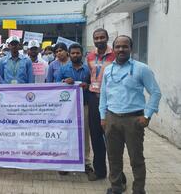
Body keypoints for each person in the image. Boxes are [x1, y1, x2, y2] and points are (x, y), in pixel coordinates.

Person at [100, 35, 161, 194]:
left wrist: (147, 115)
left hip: (133, 120)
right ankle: (116, 188)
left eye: (125, 46)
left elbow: (155, 92)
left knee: (136, 159)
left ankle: (139, 190)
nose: (121, 49)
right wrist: (103, 117)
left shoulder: (142, 68)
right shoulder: (108, 70)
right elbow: (104, 95)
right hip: (112, 119)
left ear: (131, 49)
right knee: (113, 158)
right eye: (118, 46)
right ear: (113, 49)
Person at [58, 43, 92, 175]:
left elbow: (94, 85)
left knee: (84, 134)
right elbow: (55, 85)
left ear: (82, 54)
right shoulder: (63, 69)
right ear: (69, 54)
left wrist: (87, 85)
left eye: (78, 53)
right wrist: (64, 82)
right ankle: (66, 162)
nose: (75, 55)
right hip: (67, 109)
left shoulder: (88, 70)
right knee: (66, 134)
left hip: (84, 106)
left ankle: (86, 162)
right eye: (73, 53)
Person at [86, 28, 115, 181]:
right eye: (96, 38)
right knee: (96, 136)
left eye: (102, 37)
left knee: (112, 138)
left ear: (107, 38)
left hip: (110, 100)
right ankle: (100, 171)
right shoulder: (89, 56)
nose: (99, 40)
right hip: (93, 98)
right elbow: (90, 76)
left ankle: (117, 174)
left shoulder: (115, 54)